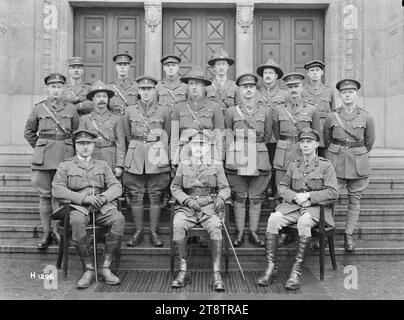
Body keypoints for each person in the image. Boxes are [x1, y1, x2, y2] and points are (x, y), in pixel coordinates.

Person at [257, 128, 338, 290]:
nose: (305, 145)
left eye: (309, 142)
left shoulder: (325, 166)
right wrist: (295, 197)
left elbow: (333, 192)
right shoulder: (294, 165)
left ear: (316, 144)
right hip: (293, 206)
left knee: (304, 221)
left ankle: (296, 271)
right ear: (299, 146)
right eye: (303, 142)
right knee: (273, 219)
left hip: (315, 209)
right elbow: (282, 186)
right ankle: (271, 268)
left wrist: (309, 196)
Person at [52, 129, 124, 289]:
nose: (85, 147)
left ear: (93, 145)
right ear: (75, 145)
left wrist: (103, 198)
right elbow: (57, 189)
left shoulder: (102, 165)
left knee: (118, 219)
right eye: (81, 143)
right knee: (77, 221)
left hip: (101, 206)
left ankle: (105, 266)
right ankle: (89, 268)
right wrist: (84, 199)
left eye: (89, 144)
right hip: (79, 207)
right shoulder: (66, 165)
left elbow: (116, 186)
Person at [24, 73, 79, 249]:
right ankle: (46, 233)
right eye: (53, 86)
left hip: (64, 157)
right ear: (48, 88)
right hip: (43, 159)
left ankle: (57, 231)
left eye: (59, 86)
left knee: (61, 195)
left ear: (64, 88)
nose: (56, 89)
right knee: (44, 196)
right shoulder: (38, 109)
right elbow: (29, 132)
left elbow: (76, 133)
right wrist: (41, 147)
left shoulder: (71, 109)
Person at [170, 135, 231, 291]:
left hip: (209, 207)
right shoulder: (183, 164)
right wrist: (188, 201)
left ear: (207, 148)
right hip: (187, 208)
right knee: (178, 224)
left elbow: (225, 188)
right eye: (195, 145)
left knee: (216, 226)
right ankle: (183, 270)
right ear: (190, 147)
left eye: (202, 145)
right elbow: (175, 188)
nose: (199, 148)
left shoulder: (216, 165)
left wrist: (221, 199)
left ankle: (216, 273)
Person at [324, 79, 375, 251]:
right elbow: (327, 138)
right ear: (339, 95)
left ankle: (349, 235)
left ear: (356, 94)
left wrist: (356, 152)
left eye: (351, 91)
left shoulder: (366, 116)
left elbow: (369, 142)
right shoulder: (332, 116)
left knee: (355, 200)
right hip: (336, 161)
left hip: (358, 162)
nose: (347, 94)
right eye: (344, 92)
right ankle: (327, 232)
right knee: (331, 198)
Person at [122, 76, 171, 247]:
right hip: (135, 156)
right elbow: (127, 136)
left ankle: (153, 232)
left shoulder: (163, 110)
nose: (146, 92)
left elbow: (168, 136)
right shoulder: (130, 110)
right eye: (143, 89)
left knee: (155, 195)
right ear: (138, 91)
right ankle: (138, 231)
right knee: (136, 195)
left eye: (149, 89)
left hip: (157, 155)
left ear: (155, 91)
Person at [224, 73, 273, 248]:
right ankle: (239, 232)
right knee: (239, 196)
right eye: (245, 87)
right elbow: (228, 132)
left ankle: (252, 232)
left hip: (258, 156)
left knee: (255, 197)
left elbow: (267, 135)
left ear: (256, 89)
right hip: (238, 156)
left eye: (252, 87)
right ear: (240, 89)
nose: (248, 90)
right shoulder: (231, 111)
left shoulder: (266, 110)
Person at [272, 72, 320, 187]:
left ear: (302, 87)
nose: (293, 89)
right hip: (284, 152)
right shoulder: (279, 109)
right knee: (282, 184)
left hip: (303, 151)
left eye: (296, 86)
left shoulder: (311, 109)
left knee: (304, 185)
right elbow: (276, 131)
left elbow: (315, 133)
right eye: (290, 87)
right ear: (286, 89)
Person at [171, 65, 224, 166]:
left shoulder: (214, 106)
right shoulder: (179, 107)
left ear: (203, 86)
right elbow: (174, 136)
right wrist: (173, 158)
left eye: (198, 84)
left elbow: (219, 135)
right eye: (191, 84)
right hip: (185, 153)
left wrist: (219, 158)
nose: (194, 87)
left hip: (207, 152)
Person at [78, 80, 125, 177]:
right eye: (98, 96)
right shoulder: (85, 119)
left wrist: (119, 165)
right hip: (91, 158)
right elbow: (80, 143)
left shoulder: (116, 119)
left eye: (104, 96)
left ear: (108, 99)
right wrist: (81, 163)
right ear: (92, 99)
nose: (102, 99)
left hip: (110, 158)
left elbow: (120, 143)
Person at [256, 58, 288, 196]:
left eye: (271, 73)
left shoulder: (284, 94)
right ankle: (260, 195)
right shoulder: (255, 93)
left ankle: (275, 195)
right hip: (260, 137)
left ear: (276, 76)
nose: (268, 75)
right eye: (265, 73)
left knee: (277, 167)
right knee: (260, 166)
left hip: (277, 137)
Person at [302, 60, 335, 157]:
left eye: (317, 70)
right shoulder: (303, 91)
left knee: (325, 161)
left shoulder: (329, 91)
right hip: (308, 131)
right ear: (308, 73)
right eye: (312, 70)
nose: (315, 73)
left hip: (325, 132)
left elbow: (333, 114)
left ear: (322, 72)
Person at [205, 48, 238, 116]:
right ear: (214, 67)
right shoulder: (208, 85)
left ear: (228, 66)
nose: (221, 67)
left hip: (229, 121)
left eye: (223, 64)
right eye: (218, 64)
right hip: (212, 120)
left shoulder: (234, 86)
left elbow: (238, 107)